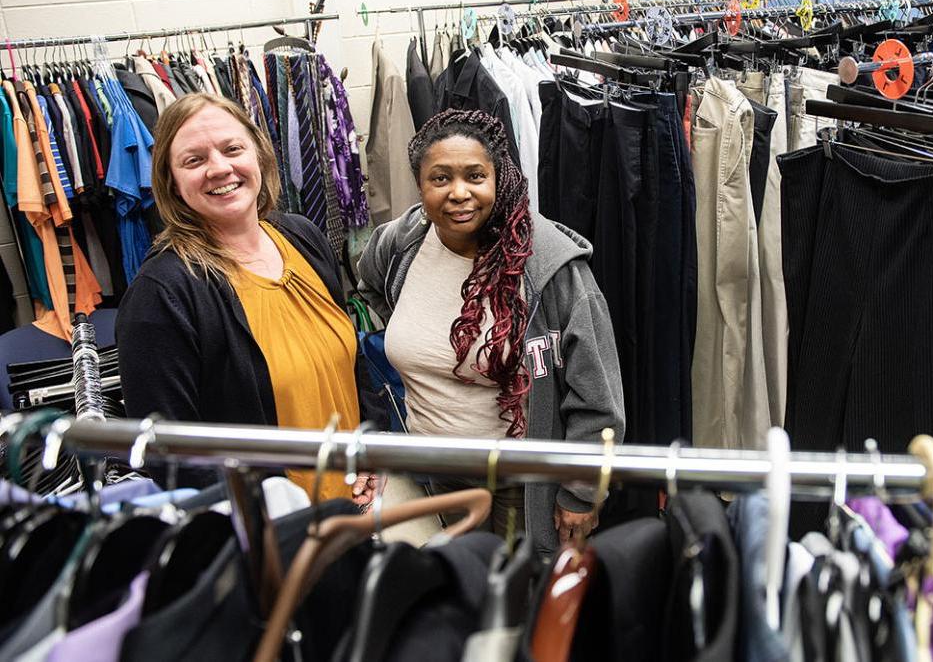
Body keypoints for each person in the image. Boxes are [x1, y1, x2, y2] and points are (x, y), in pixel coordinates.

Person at [358, 108, 625, 555]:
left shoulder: (549, 267)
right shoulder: (399, 244)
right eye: (439, 178)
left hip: (514, 488)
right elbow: (372, 288)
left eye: (474, 176)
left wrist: (581, 492)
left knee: (513, 608)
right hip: (428, 477)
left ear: (498, 179)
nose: (458, 193)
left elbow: (599, 401)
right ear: (420, 185)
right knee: (450, 599)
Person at [116, 93, 385, 504]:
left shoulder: (301, 236)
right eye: (194, 160)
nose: (219, 168)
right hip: (274, 536)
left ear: (258, 154)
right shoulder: (163, 295)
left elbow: (351, 363)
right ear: (171, 181)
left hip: (355, 505)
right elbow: (166, 452)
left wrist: (371, 447)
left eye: (232, 149)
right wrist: (273, 514)